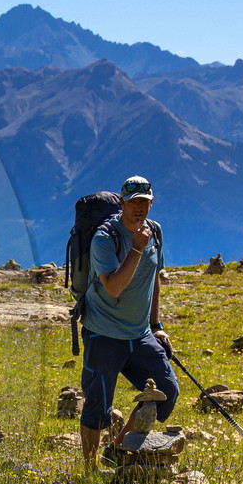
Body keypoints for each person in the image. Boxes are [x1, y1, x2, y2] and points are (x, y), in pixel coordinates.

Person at [79, 175, 178, 467]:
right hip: (104, 333)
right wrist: (136, 248)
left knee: (166, 391)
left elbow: (154, 279)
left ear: (151, 203)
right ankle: (89, 469)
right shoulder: (104, 237)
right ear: (121, 203)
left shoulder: (155, 231)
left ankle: (117, 450)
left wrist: (156, 326)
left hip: (140, 334)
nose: (139, 208)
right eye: (133, 202)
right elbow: (113, 287)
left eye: (145, 202)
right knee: (98, 406)